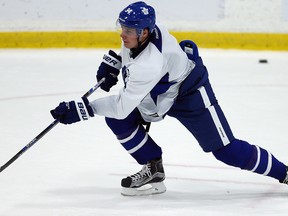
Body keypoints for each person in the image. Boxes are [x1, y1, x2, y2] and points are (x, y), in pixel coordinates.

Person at [51, 1, 288, 196]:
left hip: (190, 94)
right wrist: (115, 62)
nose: (123, 35)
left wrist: (84, 108)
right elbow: (131, 59)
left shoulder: (150, 64)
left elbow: (123, 105)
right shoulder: (145, 32)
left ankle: (284, 173)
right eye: (121, 28)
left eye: (129, 31)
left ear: (144, 32)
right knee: (116, 120)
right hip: (159, 94)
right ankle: (153, 168)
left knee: (226, 150)